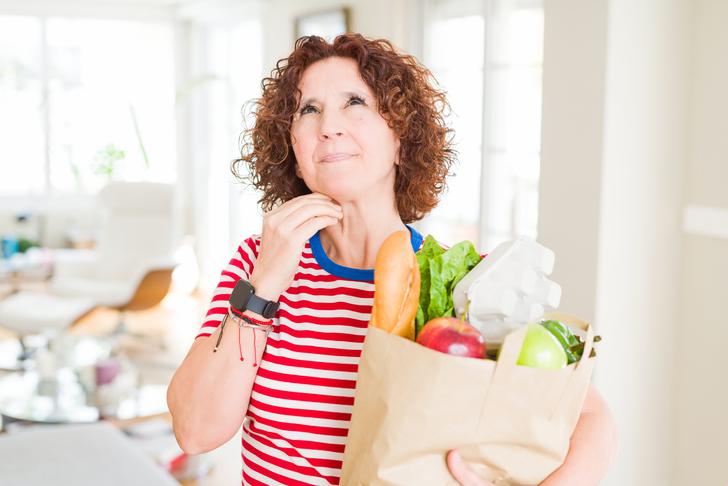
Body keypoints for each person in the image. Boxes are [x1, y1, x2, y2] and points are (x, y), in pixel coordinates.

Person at [167, 33, 617, 486]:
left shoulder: (464, 281)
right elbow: (195, 430)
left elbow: (591, 418)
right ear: (294, 153)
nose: (328, 126)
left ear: (402, 139)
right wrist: (263, 289)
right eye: (309, 109)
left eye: (355, 102)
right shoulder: (257, 262)